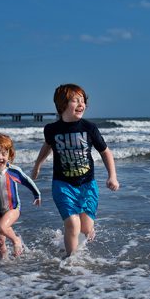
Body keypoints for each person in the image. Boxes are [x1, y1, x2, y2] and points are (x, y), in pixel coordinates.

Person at [31, 84, 119, 256]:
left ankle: (84, 235)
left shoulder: (89, 128)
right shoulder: (52, 130)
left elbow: (105, 152)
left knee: (85, 229)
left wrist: (112, 176)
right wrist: (37, 165)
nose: (81, 104)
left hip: (87, 185)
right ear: (62, 105)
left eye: (83, 101)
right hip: (62, 185)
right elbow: (47, 146)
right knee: (72, 224)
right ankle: (71, 261)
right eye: (75, 100)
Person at [0, 132, 41, 259]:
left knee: (1, 227)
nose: (0, 157)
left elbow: (28, 181)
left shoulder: (13, 171)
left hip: (13, 209)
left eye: (4, 153)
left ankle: (16, 241)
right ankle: (5, 264)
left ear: (10, 155)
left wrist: (37, 195)